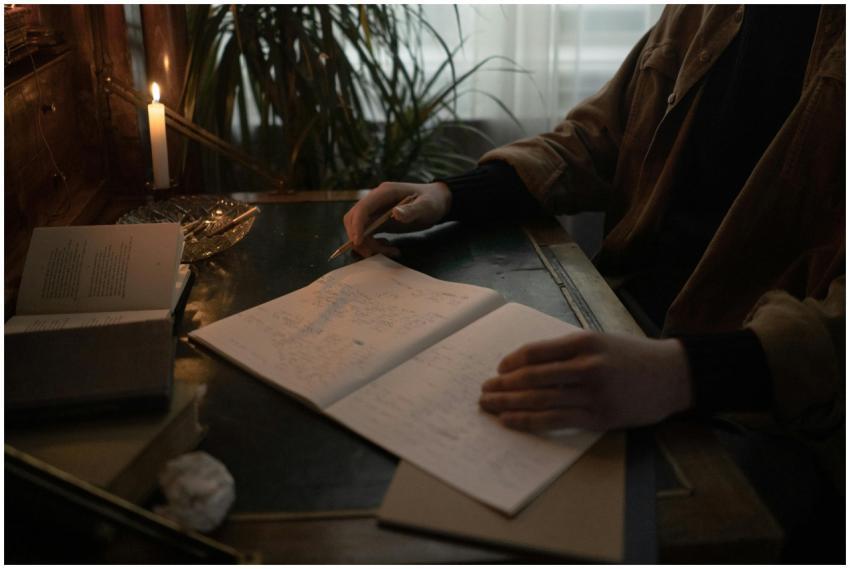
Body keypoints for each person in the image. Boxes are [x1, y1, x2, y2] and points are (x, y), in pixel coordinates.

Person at [343, 5, 844, 556]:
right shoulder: (700, 11)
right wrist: (451, 193)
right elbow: (594, 139)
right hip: (621, 315)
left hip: (772, 406)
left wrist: (681, 373)